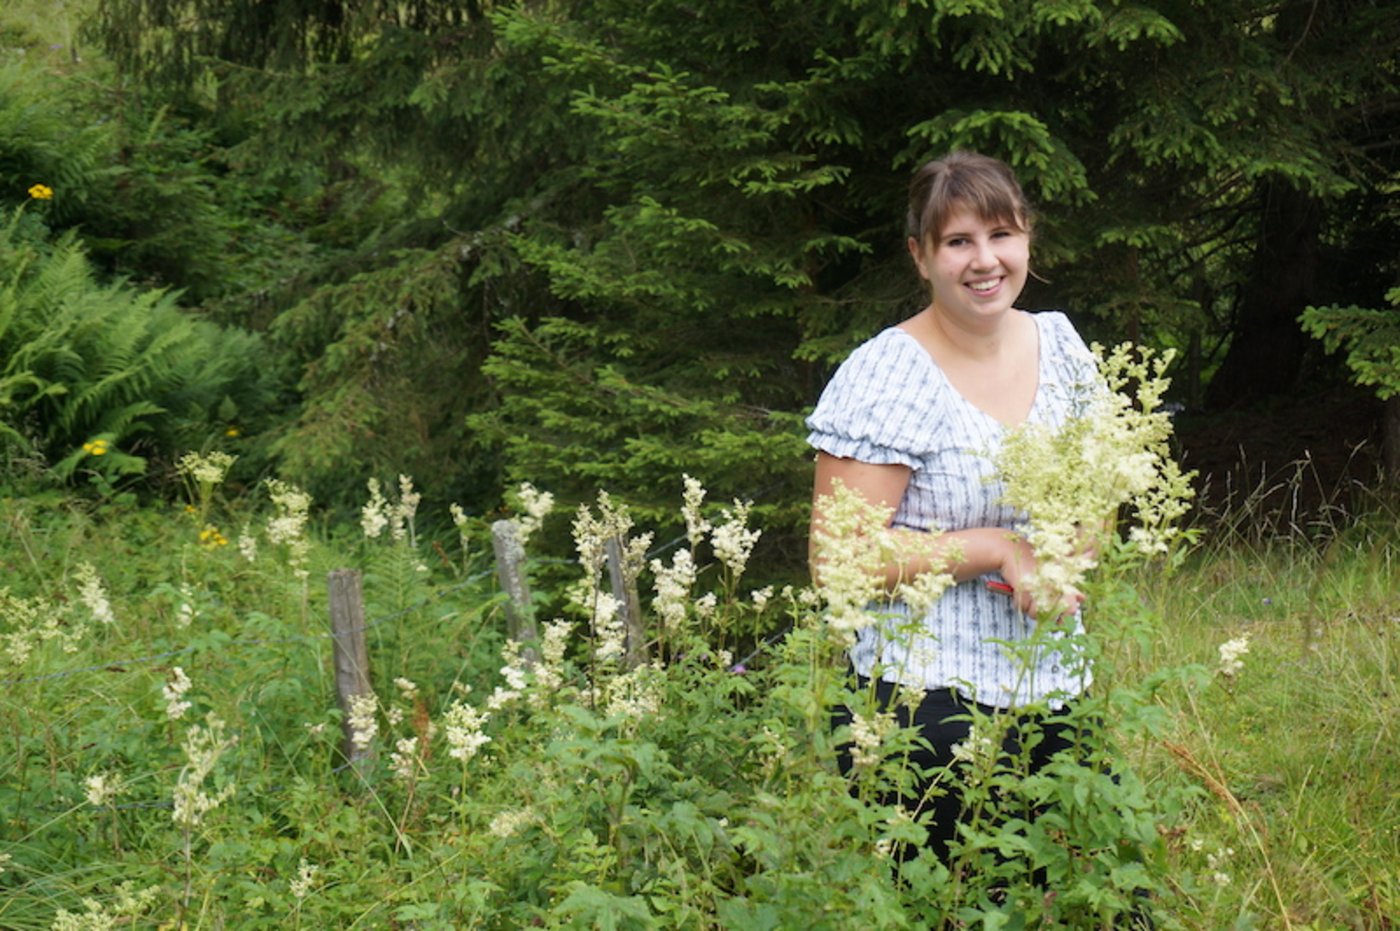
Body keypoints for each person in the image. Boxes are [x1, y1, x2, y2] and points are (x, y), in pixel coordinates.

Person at [805, 150, 1102, 861]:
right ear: (920, 255)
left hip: (1057, 684)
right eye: (958, 241)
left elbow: (1096, 501)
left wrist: (1071, 549)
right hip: (921, 709)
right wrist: (999, 548)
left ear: (1027, 238)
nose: (985, 261)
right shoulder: (887, 372)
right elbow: (838, 563)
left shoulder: (1060, 345)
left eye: (1001, 235)